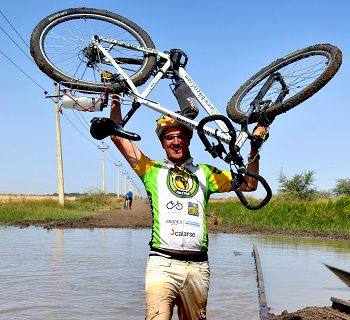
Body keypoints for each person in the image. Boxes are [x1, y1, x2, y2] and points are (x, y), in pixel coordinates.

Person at [108, 98, 267, 320]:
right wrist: (116, 101)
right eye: (169, 137)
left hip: (198, 267)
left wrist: (254, 147)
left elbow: (249, 184)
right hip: (162, 264)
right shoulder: (151, 170)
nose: (176, 141)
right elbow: (117, 136)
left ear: (189, 140)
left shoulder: (206, 173)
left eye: (181, 136)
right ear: (163, 143)